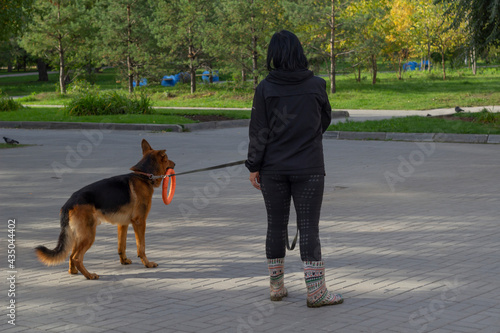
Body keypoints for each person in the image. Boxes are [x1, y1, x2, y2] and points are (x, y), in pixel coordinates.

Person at [245, 30, 343, 308]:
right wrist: (305, 138)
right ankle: (316, 293)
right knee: (310, 227)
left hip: (273, 170)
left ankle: (276, 287)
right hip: (310, 168)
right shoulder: (317, 85)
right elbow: (324, 121)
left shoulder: (265, 88)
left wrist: (254, 165)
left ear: (273, 55)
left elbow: (259, 131)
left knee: (275, 226)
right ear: (299, 53)